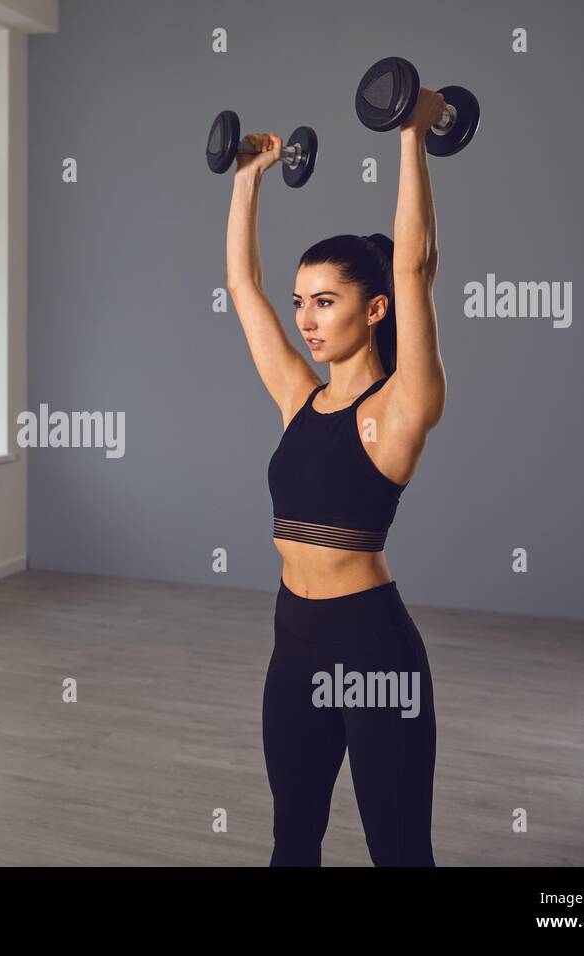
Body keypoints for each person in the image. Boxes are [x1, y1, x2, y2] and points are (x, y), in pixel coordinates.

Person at [225, 88, 449, 866]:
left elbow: (414, 263)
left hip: (374, 649)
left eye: (326, 301)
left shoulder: (402, 407)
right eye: (303, 304)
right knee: (293, 842)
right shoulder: (299, 396)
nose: (308, 320)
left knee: (398, 851)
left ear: (376, 308)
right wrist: (249, 177)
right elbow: (242, 291)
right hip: (293, 642)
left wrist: (410, 134)